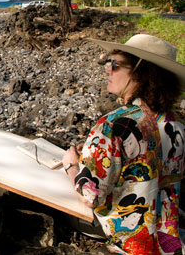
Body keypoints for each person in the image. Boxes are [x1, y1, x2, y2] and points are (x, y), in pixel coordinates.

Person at [62, 34, 185, 254]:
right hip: (170, 240)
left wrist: (72, 166)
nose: (107, 69)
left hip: (130, 243)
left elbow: (90, 196)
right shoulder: (177, 123)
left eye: (116, 64)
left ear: (142, 73)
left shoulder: (113, 126)